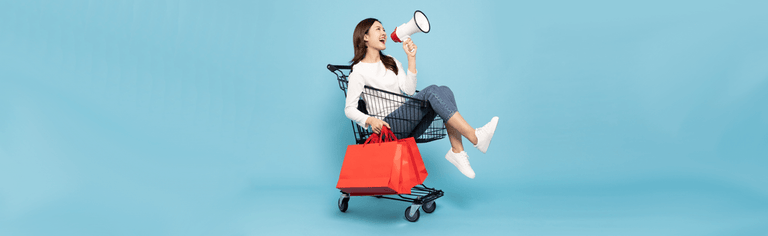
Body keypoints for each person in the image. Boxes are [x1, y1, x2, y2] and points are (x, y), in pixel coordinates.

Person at [344, 18, 499, 179]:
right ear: (365, 37)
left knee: (445, 90)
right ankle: (475, 137)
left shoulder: (391, 61)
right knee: (432, 90)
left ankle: (457, 152)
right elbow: (349, 109)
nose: (384, 33)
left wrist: (411, 59)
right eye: (378, 29)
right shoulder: (359, 71)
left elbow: (409, 90)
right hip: (388, 128)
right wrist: (370, 120)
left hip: (407, 123)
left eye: (384, 29)